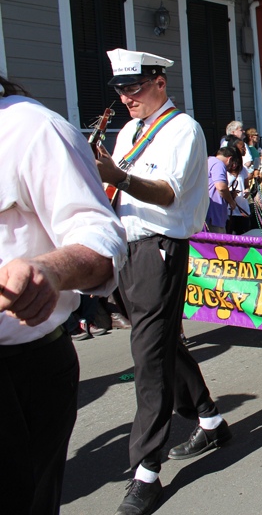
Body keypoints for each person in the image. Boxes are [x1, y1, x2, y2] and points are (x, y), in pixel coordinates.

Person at [94, 49, 232, 515]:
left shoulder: (183, 129)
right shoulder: (129, 129)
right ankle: (210, 421)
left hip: (159, 248)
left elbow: (168, 191)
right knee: (160, 343)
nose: (126, 97)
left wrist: (119, 176)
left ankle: (146, 471)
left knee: (148, 356)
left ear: (159, 82)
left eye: (133, 88)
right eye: (120, 89)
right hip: (126, 247)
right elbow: (115, 185)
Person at [0, 75, 127, 515]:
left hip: (18, 369)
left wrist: (48, 270)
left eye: (137, 86)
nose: (128, 96)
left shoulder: (31, 128)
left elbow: (100, 235)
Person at [206, 146, 240, 234]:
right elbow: (221, 187)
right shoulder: (219, 163)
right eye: (232, 164)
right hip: (214, 215)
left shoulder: (208, 160)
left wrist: (229, 194)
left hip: (207, 213)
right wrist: (231, 201)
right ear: (229, 159)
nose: (230, 168)